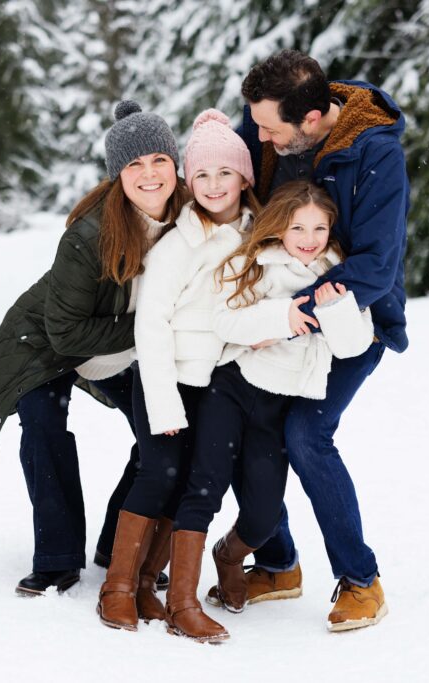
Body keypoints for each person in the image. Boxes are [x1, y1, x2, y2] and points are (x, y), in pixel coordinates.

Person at [0, 101, 189, 596]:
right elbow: (65, 333)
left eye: (158, 160)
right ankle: (56, 558)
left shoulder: (192, 219)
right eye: (133, 164)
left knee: (163, 438)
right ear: (116, 175)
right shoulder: (89, 235)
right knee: (44, 426)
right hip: (43, 342)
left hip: (122, 348)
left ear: (175, 163)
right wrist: (150, 330)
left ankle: (117, 542)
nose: (149, 174)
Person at [220, 48, 409, 631]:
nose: (259, 138)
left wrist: (288, 313)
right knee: (245, 423)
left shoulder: (374, 153)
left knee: (306, 435)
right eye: (255, 124)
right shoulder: (272, 126)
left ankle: (360, 580)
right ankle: (278, 565)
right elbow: (218, 173)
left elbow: (376, 265)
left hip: (352, 320)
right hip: (274, 310)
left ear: (310, 120)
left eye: (270, 129)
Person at [165, 181, 374, 642]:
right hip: (233, 388)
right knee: (206, 485)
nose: (308, 236)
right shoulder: (253, 261)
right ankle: (181, 602)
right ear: (279, 224)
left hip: (279, 406)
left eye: (319, 227)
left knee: (262, 516)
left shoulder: (337, 270)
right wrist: (282, 318)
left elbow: (353, 344)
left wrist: (334, 305)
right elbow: (224, 318)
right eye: (298, 226)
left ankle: (228, 554)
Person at [96, 109, 258, 631]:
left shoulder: (259, 234)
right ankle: (118, 585)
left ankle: (150, 585)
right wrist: (163, 401)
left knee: (192, 479)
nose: (212, 186)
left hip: (217, 382)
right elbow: (152, 327)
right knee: (159, 470)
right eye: (202, 175)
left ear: (245, 178)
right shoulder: (178, 244)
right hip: (166, 380)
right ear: (190, 180)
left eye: (224, 173)